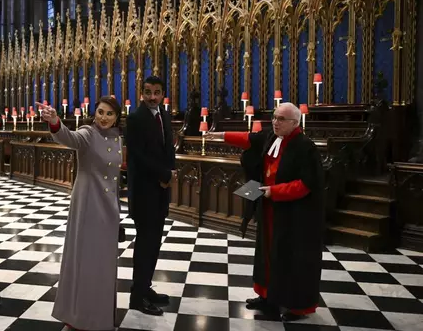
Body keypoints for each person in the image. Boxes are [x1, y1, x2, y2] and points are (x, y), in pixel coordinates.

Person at [205, 102, 324, 322]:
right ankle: (266, 295)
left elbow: (306, 184)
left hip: (294, 214)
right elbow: (249, 139)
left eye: (281, 119)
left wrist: (275, 191)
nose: (275, 122)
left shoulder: (305, 147)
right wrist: (220, 135)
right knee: (266, 252)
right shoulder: (271, 137)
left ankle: (297, 307)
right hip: (270, 207)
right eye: (274, 117)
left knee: (290, 258)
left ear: (295, 123)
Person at [39, 96, 123, 331]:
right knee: (86, 261)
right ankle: (79, 318)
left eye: (109, 114)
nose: (104, 118)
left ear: (117, 117)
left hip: (109, 208)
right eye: (100, 112)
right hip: (88, 204)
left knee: (103, 264)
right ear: (94, 113)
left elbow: (114, 173)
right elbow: (69, 138)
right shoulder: (87, 133)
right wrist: (55, 121)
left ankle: (100, 317)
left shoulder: (117, 137)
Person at [126, 76, 176, 316]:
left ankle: (145, 288)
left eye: (157, 92)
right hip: (145, 191)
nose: (152, 97)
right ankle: (137, 297)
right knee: (145, 244)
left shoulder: (164, 115)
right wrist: (163, 173)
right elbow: (137, 155)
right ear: (142, 93)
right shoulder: (135, 118)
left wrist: (171, 173)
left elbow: (169, 148)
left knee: (155, 242)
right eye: (148, 92)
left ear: (163, 93)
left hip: (161, 190)